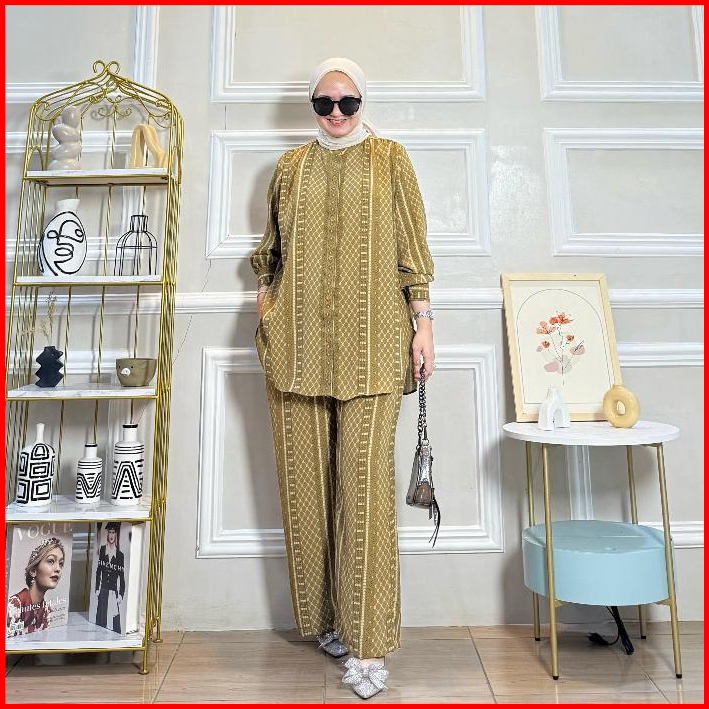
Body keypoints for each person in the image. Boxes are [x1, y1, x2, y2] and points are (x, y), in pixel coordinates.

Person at [250, 57, 435, 699]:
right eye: (324, 103)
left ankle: (369, 644)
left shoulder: (391, 161)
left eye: (347, 102)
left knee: (365, 495)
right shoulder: (289, 168)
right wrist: (267, 310)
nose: (336, 113)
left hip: (375, 348)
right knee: (306, 492)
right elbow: (270, 255)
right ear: (313, 107)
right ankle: (327, 621)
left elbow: (412, 251)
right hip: (296, 349)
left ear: (362, 103)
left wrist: (423, 324)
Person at [6, 536, 66, 637]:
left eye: (61, 564)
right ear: (33, 571)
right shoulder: (14, 605)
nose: (58, 569)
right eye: (51, 561)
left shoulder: (46, 610)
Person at [94, 522, 126, 633]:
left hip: (113, 592)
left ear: (116, 534)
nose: (111, 535)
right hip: (103, 590)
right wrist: (97, 588)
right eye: (110, 532)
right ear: (107, 534)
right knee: (100, 620)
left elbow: (122, 577)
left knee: (116, 624)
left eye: (113, 532)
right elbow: (98, 571)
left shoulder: (120, 555)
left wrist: (121, 594)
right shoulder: (103, 550)